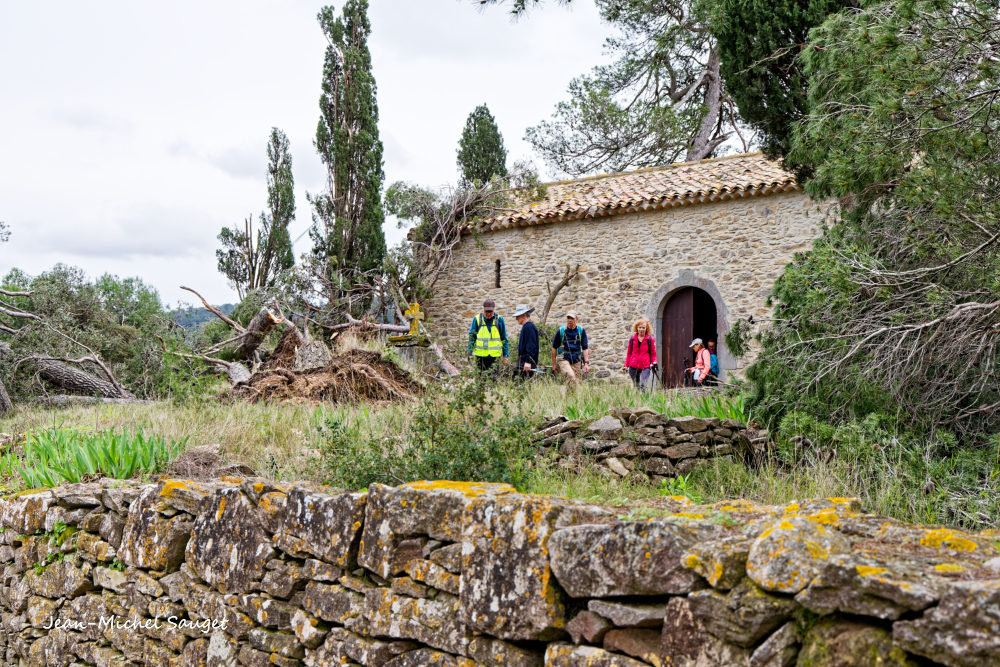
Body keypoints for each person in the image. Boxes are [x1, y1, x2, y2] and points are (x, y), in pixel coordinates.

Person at [550, 310, 589, 392]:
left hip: (576, 359)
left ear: (576, 319)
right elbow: (554, 348)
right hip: (563, 358)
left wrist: (586, 363)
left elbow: (585, 348)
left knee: (576, 382)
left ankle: (570, 398)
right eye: (568, 318)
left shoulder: (581, 330)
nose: (570, 320)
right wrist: (554, 364)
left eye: (572, 318)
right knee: (571, 376)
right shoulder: (561, 331)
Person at [467, 299, 509, 373]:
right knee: (481, 378)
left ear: (494, 310)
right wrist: (470, 352)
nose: (488, 314)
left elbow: (504, 339)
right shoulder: (477, 319)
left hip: (495, 357)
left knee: (494, 378)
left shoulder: (499, 320)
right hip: (480, 357)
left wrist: (505, 356)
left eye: (490, 312)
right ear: (483, 309)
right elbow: (472, 337)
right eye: (486, 312)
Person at [622, 318, 656, 391]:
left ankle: (644, 397)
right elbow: (629, 353)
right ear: (637, 328)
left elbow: (653, 354)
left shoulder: (650, 339)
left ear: (646, 329)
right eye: (640, 327)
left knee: (643, 384)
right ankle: (638, 398)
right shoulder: (632, 339)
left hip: (645, 366)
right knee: (636, 386)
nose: (641, 329)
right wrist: (626, 365)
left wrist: (654, 363)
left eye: (643, 328)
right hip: (633, 366)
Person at [513, 304, 539, 380]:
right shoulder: (526, 326)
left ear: (524, 315)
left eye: (518, 316)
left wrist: (528, 362)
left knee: (522, 383)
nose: (516, 319)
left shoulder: (529, 327)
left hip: (526, 364)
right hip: (523, 362)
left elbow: (531, 346)